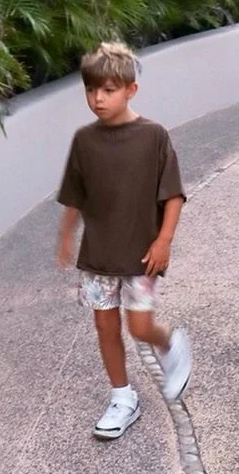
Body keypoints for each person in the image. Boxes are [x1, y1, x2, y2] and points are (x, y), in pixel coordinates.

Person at [55, 41, 192, 439]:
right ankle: (122, 397)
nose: (98, 99)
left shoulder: (153, 136)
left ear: (131, 90)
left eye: (108, 90)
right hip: (97, 256)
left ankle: (170, 343)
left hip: (141, 255)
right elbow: (74, 195)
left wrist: (164, 241)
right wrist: (66, 236)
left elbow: (173, 195)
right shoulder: (84, 140)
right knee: (104, 326)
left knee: (139, 327)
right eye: (91, 90)